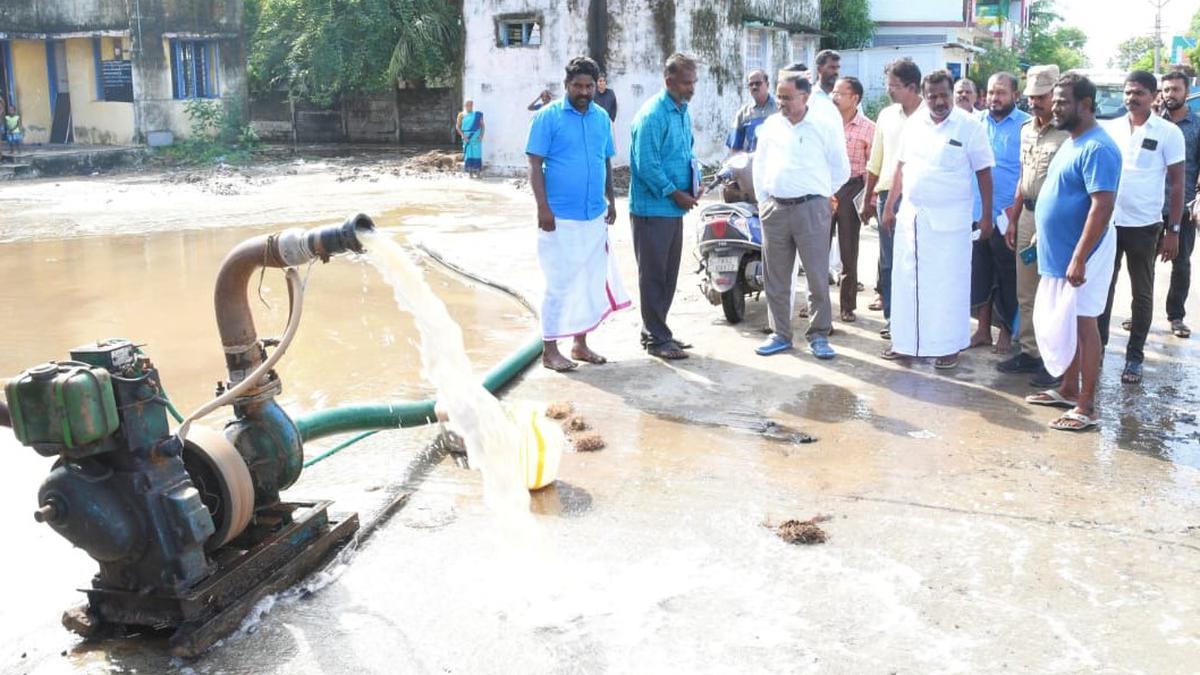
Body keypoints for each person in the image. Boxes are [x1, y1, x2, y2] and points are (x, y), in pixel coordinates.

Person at [1025, 73, 1122, 431]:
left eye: (1063, 101)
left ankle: (1086, 407)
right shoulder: (1072, 141)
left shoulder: (1099, 147)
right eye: (1055, 100)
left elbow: (1102, 206)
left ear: (1086, 105)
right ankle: (1067, 389)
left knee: (1084, 324)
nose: (1055, 107)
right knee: (1063, 322)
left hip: (1086, 255)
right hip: (1059, 253)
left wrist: (1080, 256)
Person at [881, 70, 995, 369]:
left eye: (944, 95)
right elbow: (901, 166)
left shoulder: (970, 126)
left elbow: (984, 172)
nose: (939, 101)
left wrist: (986, 217)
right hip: (913, 218)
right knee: (907, 282)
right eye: (932, 96)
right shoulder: (915, 123)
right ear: (925, 94)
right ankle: (905, 343)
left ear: (952, 93)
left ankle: (948, 347)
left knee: (948, 285)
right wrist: (890, 204)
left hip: (951, 223)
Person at [526, 56, 630, 372]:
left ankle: (580, 344)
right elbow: (534, 164)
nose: (583, 91)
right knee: (560, 282)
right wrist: (543, 208)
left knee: (590, 280)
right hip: (559, 217)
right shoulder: (547, 117)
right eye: (577, 86)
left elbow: (605, 162)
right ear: (566, 85)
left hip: (594, 215)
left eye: (588, 86)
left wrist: (611, 201)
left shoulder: (601, 118)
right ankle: (549, 350)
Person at [751, 68, 850, 359]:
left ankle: (819, 335)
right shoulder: (771, 125)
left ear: (805, 96)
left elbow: (840, 169)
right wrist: (764, 201)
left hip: (812, 210)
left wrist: (818, 195)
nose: (780, 102)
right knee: (776, 277)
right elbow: (760, 165)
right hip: (776, 210)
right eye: (779, 97)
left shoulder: (823, 125)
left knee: (817, 276)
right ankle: (780, 333)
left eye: (787, 97)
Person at [1097, 70, 1185, 384]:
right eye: (1128, 92)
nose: (1131, 98)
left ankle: (1134, 358)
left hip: (1145, 226)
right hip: (1108, 223)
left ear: (1153, 95)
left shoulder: (1168, 132)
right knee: (1102, 290)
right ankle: (1099, 352)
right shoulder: (1109, 129)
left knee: (1141, 294)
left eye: (1138, 93)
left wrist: (1173, 230)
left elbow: (1177, 184)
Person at [998, 64, 1071, 388]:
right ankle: (1030, 352)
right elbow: (1023, 177)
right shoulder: (1026, 129)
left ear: (1055, 96)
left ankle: (1055, 362)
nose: (1035, 102)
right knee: (1025, 291)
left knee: (1054, 293)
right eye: (1031, 96)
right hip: (1027, 214)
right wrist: (1013, 219)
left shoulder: (1069, 132)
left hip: (1055, 219)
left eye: (1041, 96)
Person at [629, 53, 699, 360]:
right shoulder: (653, 114)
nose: (691, 88)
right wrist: (675, 192)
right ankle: (657, 339)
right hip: (653, 209)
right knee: (654, 275)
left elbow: (685, 152)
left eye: (693, 82)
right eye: (686, 83)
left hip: (673, 209)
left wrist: (693, 184)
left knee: (668, 275)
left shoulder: (681, 111)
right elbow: (647, 165)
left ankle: (655, 331)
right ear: (668, 81)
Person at [969, 72, 1030, 354]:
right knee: (980, 273)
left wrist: (1014, 214)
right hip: (978, 212)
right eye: (992, 92)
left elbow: (1026, 172)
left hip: (1008, 215)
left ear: (1015, 95)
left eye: (1002, 93)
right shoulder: (975, 123)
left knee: (1008, 277)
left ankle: (1006, 331)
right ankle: (982, 330)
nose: (995, 98)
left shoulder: (1025, 126)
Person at [861, 58, 923, 339]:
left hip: (920, 196)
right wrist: (867, 200)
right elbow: (875, 161)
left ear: (912, 87)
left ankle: (918, 318)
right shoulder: (886, 116)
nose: (890, 91)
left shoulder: (930, 115)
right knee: (889, 261)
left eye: (894, 86)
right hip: (887, 196)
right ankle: (893, 319)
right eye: (888, 85)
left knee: (917, 260)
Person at [831, 75, 875, 323]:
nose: (834, 97)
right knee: (817, 248)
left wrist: (868, 198)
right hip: (826, 188)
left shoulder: (869, 127)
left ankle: (847, 305)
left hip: (851, 188)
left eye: (840, 93)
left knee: (849, 249)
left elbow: (872, 166)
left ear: (854, 98)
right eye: (834, 93)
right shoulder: (827, 123)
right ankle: (817, 304)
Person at [1159, 70, 1200, 339]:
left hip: (1183, 206)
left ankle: (1176, 316)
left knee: (1181, 263)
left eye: (1175, 89)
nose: (1170, 94)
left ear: (1187, 92)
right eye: (1166, 89)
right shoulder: (1150, 123)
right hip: (1149, 206)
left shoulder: (1197, 126)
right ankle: (1138, 313)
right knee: (1141, 266)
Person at [728, 69, 776, 154]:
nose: (754, 87)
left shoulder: (780, 109)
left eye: (758, 83)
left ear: (767, 85)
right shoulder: (743, 113)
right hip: (753, 164)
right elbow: (734, 148)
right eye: (751, 84)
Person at [456, 100, 485, 177]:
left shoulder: (477, 114)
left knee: (477, 154)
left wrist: (481, 135)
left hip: (476, 138)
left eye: (470, 105)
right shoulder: (461, 115)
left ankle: (478, 173)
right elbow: (457, 127)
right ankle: (470, 173)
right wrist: (463, 136)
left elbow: (482, 126)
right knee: (468, 154)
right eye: (467, 105)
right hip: (467, 139)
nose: (469, 106)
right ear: (465, 106)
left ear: (472, 105)